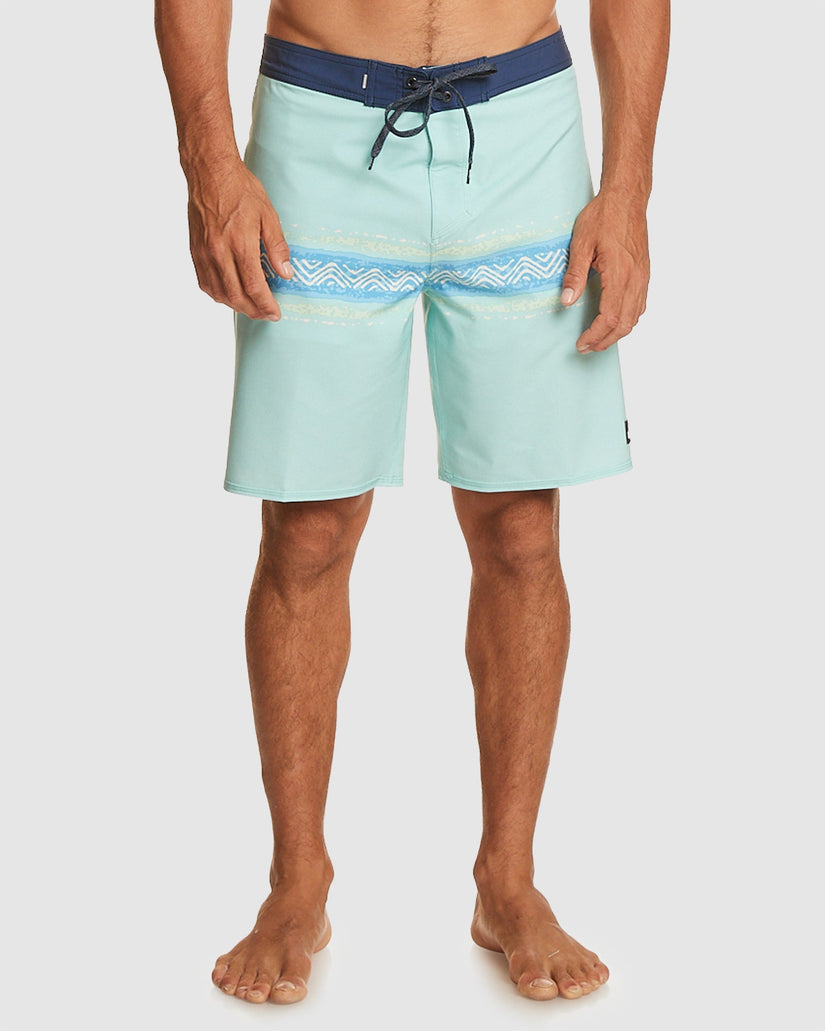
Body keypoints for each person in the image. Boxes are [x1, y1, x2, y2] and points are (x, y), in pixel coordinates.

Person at [155, 0, 669, 1006]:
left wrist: (627, 191)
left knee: (520, 525)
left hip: (524, 131)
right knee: (308, 527)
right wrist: (209, 166)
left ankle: (508, 881)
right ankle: (297, 882)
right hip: (318, 130)